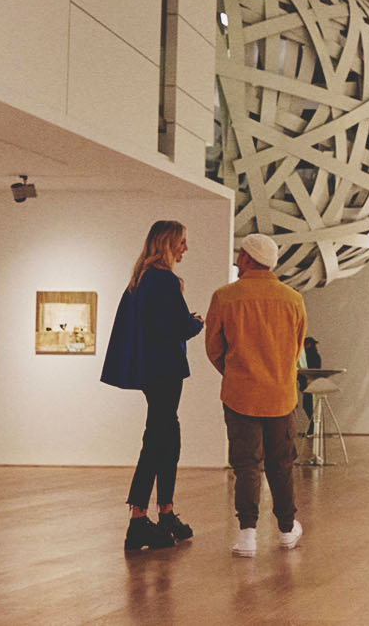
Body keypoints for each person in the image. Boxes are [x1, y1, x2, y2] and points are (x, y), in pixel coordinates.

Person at [101, 220, 204, 551]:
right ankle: (139, 519)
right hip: (165, 371)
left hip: (153, 370)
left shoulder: (142, 278)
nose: (185, 248)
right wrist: (195, 324)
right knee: (158, 441)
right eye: (182, 242)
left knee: (166, 438)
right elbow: (173, 327)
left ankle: (164, 512)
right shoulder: (163, 279)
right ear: (168, 243)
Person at [204, 233, 309, 558]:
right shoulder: (293, 299)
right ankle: (287, 528)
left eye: (240, 256)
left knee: (246, 464)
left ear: (249, 259)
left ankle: (247, 534)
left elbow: (213, 347)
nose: (237, 261)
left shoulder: (225, 297)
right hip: (280, 395)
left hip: (240, 394)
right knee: (281, 464)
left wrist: (236, 374)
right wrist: (278, 374)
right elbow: (297, 347)